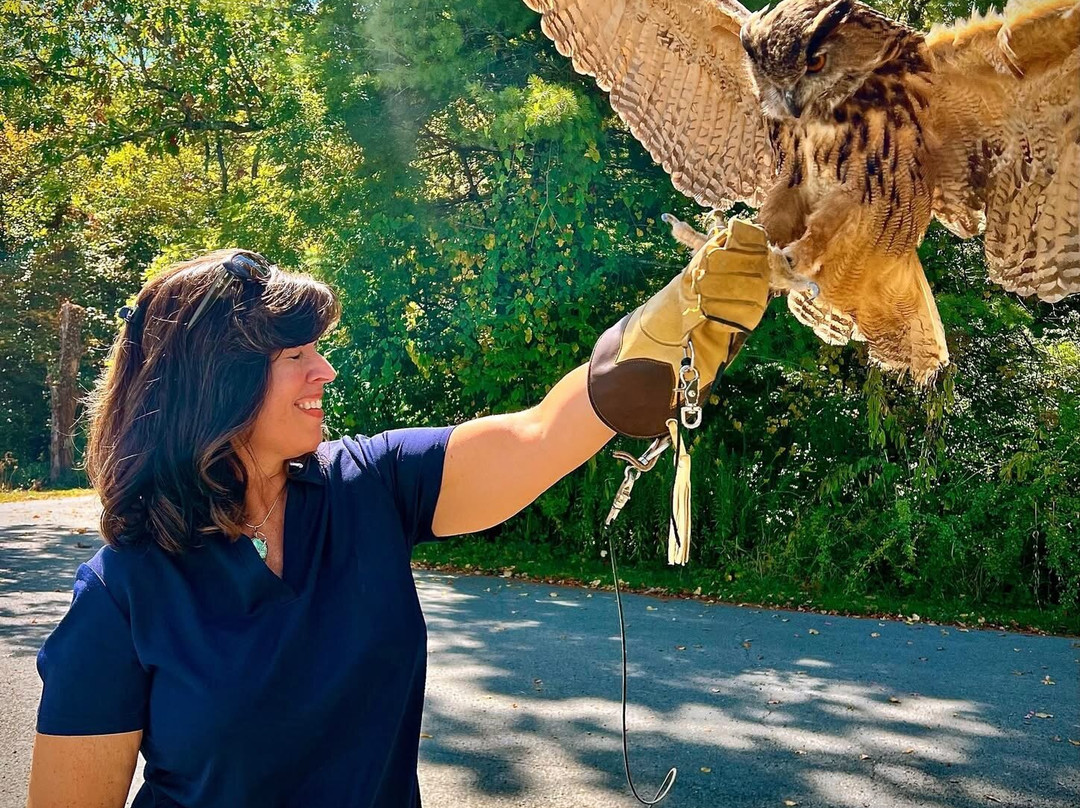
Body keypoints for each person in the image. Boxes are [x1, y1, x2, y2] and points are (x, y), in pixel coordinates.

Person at [26, 220, 774, 807]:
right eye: (298, 356)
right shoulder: (123, 595)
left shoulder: (367, 485)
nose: (326, 371)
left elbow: (538, 436)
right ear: (216, 380)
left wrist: (652, 345)